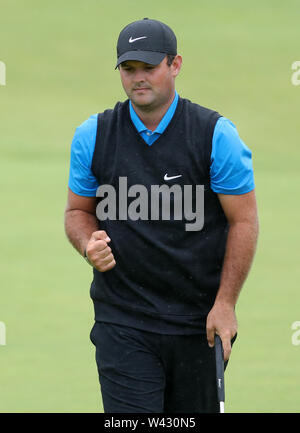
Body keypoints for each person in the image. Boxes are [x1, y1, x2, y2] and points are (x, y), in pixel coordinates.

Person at [64, 18, 259, 413]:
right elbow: (77, 211)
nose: (138, 78)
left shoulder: (215, 136)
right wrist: (88, 243)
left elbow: (244, 221)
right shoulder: (93, 135)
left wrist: (226, 304)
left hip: (198, 323)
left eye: (149, 67)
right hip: (123, 321)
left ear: (175, 65)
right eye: (128, 69)